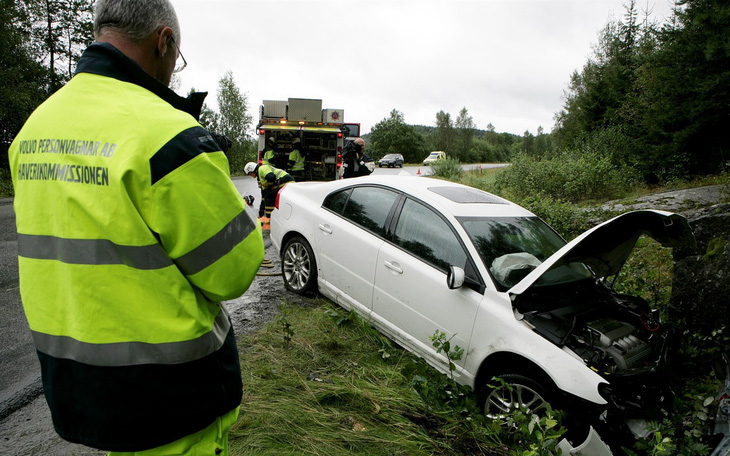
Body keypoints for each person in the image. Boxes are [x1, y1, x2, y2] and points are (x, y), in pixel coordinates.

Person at [7, 0, 264, 454]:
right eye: (176, 59)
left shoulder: (33, 131)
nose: (172, 73)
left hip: (82, 390)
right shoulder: (170, 136)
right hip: (171, 401)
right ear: (163, 41)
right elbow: (234, 271)